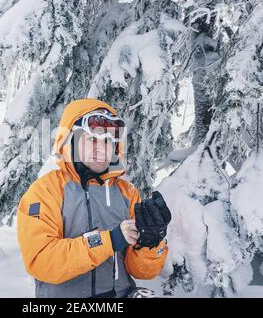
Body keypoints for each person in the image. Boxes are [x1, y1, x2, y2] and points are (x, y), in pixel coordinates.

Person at [17, 98, 170, 298]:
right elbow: (42, 261)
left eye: (107, 141)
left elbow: (143, 272)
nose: (101, 149)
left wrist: (150, 243)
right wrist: (109, 240)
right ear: (69, 140)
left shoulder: (127, 193)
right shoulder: (45, 191)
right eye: (92, 140)